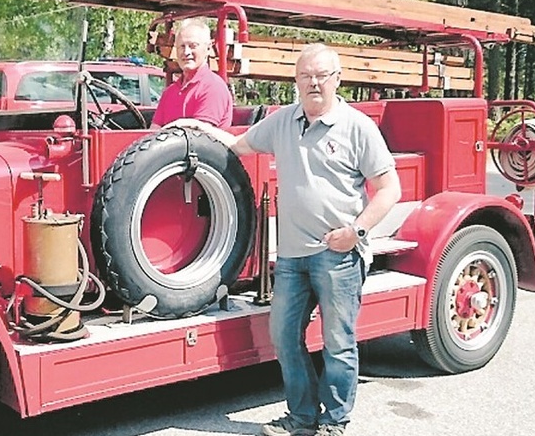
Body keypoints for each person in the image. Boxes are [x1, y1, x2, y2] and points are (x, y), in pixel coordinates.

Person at [168, 43, 401, 436]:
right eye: (305, 75)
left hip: (337, 255)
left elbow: (389, 189)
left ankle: (335, 421)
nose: (313, 82)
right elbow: (238, 144)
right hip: (293, 256)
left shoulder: (357, 127)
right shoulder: (283, 121)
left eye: (322, 75)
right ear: (296, 81)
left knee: (338, 343)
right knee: (284, 337)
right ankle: (302, 416)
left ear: (337, 80)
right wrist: (199, 128)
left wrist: (357, 232)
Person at [150, 18, 233, 129]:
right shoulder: (169, 92)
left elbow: (198, 138)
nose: (186, 52)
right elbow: (153, 132)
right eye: (182, 46)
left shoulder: (213, 87)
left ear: (208, 48)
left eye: (193, 46)